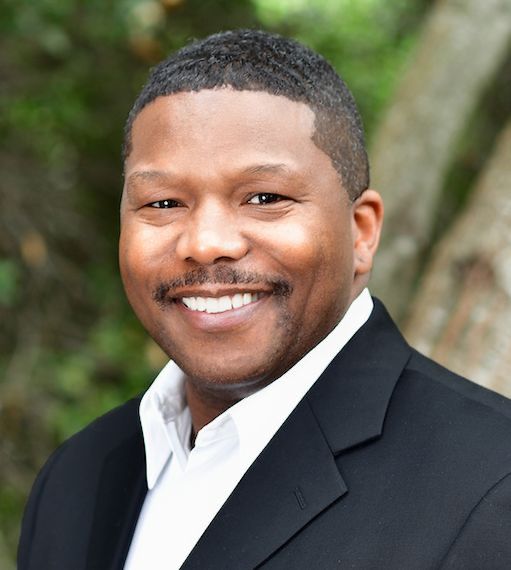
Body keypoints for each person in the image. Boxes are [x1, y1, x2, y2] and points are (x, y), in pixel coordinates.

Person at [18, 29, 511, 570]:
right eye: (163, 202)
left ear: (362, 231)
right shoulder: (76, 477)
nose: (206, 243)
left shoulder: (492, 488)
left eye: (264, 198)